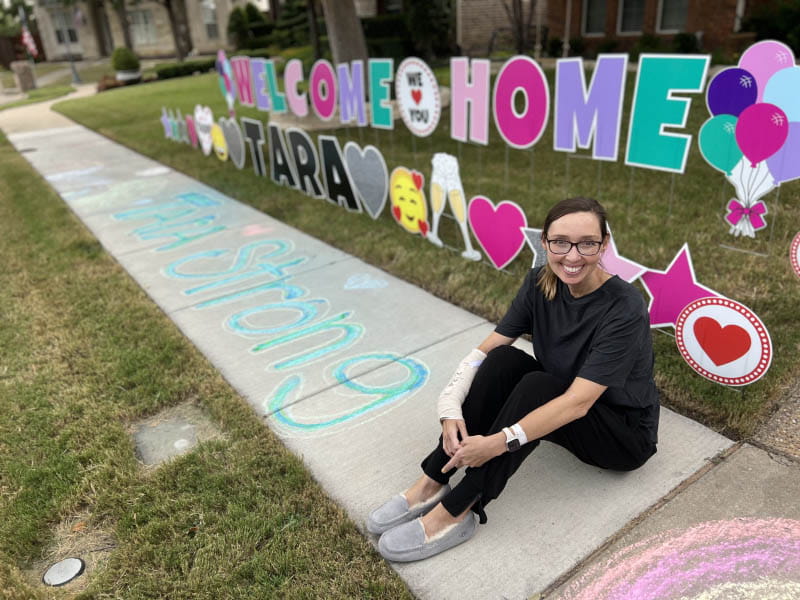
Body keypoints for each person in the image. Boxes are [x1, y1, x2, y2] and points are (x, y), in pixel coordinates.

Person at [367, 197, 659, 562]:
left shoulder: (624, 306)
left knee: (540, 387)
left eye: (587, 243)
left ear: (604, 245)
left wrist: (497, 443)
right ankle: (433, 479)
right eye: (560, 242)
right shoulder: (540, 282)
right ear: (545, 243)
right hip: (566, 400)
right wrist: (450, 405)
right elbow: (489, 347)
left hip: (621, 434)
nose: (572, 256)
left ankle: (459, 509)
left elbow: (579, 402)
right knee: (503, 360)